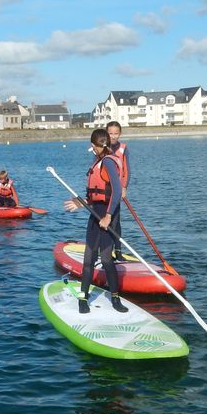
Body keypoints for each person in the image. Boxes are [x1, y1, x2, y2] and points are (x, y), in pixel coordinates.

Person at [63, 128, 128, 314]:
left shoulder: (108, 162)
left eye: (92, 146)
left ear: (95, 145)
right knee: (89, 258)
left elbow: (116, 191)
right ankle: (83, 298)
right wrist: (80, 203)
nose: (92, 148)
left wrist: (108, 217)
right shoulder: (98, 161)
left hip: (108, 214)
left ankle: (115, 298)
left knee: (107, 259)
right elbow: (94, 195)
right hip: (95, 214)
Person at [106, 120, 130, 260]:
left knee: (116, 221)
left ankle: (118, 251)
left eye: (116, 133)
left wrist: (124, 187)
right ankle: (106, 251)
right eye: (110, 133)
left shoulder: (123, 148)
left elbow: (127, 170)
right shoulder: (102, 147)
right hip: (104, 191)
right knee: (105, 220)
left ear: (120, 134)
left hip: (117, 190)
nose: (113, 136)